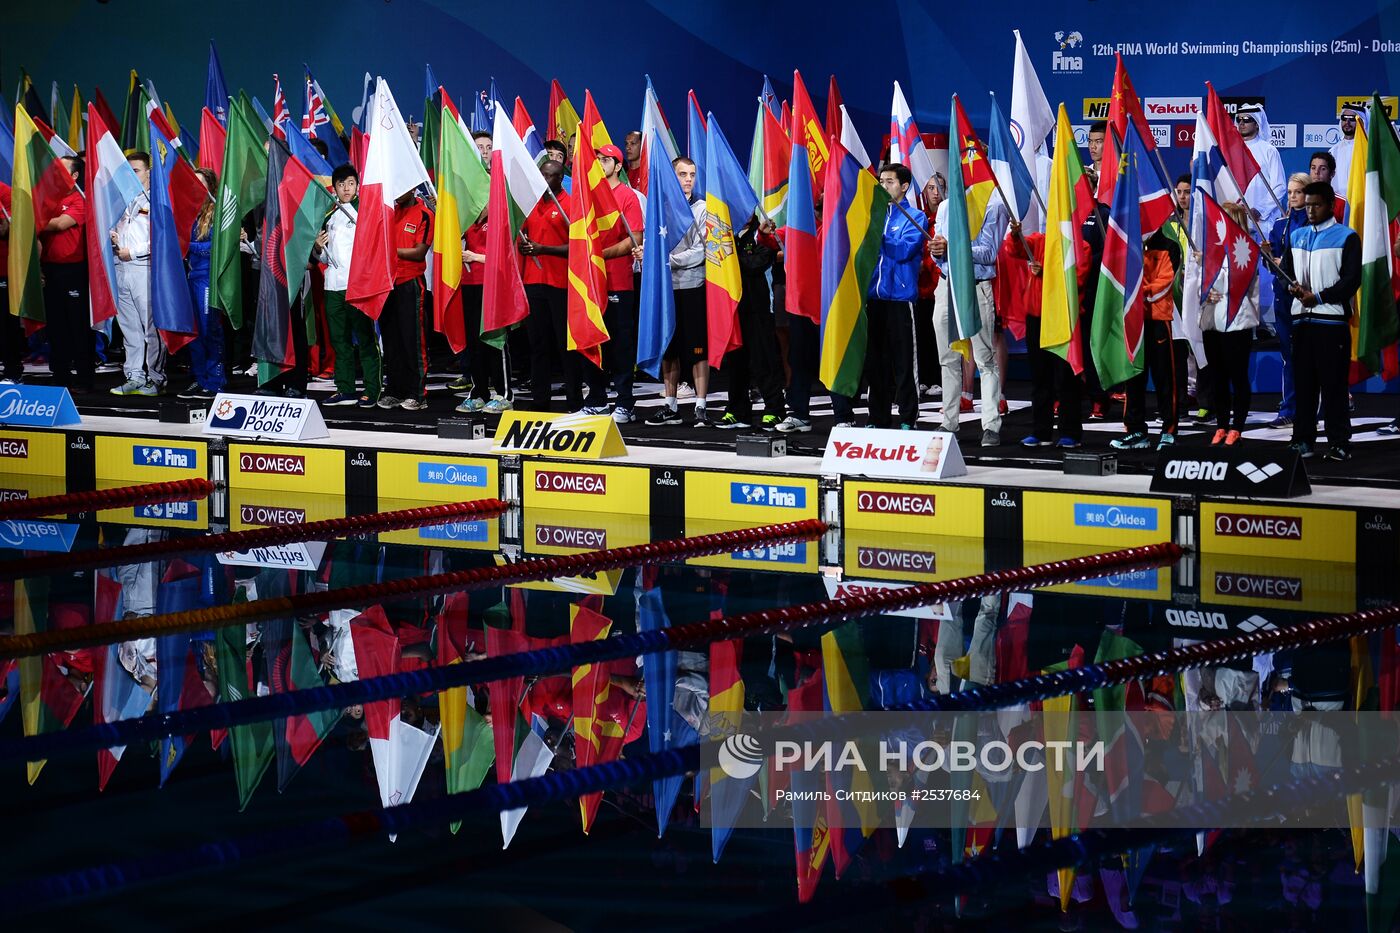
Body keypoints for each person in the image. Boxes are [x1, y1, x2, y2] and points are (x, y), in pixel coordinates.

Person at [1280, 182, 1361, 461]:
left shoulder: (1347, 237)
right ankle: (1302, 440)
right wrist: (1292, 287)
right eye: (1307, 205)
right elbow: (1286, 272)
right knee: (1304, 385)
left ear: (1330, 206)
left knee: (1334, 386)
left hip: (1332, 323)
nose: (1310, 210)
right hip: (1301, 323)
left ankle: (1339, 443)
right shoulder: (1297, 235)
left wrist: (1319, 297)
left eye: (1316, 205)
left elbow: (1351, 280)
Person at [930, 185, 1007, 446]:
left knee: (985, 358)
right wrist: (937, 250)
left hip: (976, 287)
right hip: (946, 286)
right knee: (947, 358)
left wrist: (953, 247)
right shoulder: (945, 207)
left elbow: (988, 253)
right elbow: (938, 255)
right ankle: (949, 422)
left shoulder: (992, 205)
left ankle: (991, 425)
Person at [645, 157, 712, 427]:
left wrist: (668, 261)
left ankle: (701, 406)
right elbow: (653, 243)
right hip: (666, 290)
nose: (688, 179)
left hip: (693, 287)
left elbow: (701, 251)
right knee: (669, 350)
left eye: (692, 175)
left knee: (698, 350)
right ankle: (670, 406)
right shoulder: (661, 209)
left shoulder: (702, 208)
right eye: (683, 174)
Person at [865, 163, 926, 430]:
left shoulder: (916, 217)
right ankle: (876, 417)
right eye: (881, 181)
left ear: (904, 186)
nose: (884, 186)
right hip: (875, 298)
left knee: (904, 362)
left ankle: (907, 418)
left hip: (901, 300)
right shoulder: (875, 214)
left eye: (889, 182)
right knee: (875, 362)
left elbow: (904, 250)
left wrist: (876, 235)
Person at [585, 144, 643, 422]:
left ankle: (625, 404)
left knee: (621, 345)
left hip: (618, 281)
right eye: (597, 159)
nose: (600, 163)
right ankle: (596, 399)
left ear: (618, 166)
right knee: (594, 339)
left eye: (606, 160)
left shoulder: (627, 196)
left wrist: (599, 255)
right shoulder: (590, 195)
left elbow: (635, 240)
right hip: (591, 281)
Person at [520, 160, 584, 411]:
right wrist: (525, 247)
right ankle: (540, 401)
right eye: (542, 175)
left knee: (565, 345)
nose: (545, 180)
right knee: (537, 345)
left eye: (550, 176)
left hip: (560, 284)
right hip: (533, 281)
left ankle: (575, 401)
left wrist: (544, 249)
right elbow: (523, 236)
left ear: (560, 179)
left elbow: (578, 245)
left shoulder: (569, 204)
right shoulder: (531, 204)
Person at [1112, 224, 1182, 450]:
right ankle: (1136, 431)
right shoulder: (1130, 247)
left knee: (1164, 379)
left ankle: (1169, 431)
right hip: (1134, 321)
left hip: (1159, 321)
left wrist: (1136, 294)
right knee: (1133, 377)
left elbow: (1164, 285)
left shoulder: (1170, 247)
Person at [315, 164, 381, 407]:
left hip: (357, 286)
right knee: (339, 341)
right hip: (333, 286)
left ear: (357, 186)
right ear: (334, 188)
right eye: (341, 184)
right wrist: (318, 247)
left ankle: (372, 389)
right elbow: (325, 258)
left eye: (350, 184)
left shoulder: (365, 211)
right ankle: (345, 388)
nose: (346, 189)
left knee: (365, 339)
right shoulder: (329, 216)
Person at [1198, 201, 1260, 447]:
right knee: (1217, 377)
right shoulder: (1211, 250)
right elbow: (1195, 284)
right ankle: (1221, 425)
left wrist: (1209, 276)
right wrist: (1205, 292)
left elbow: (1231, 282)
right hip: (1212, 322)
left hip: (1237, 323)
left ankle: (1237, 427)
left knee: (1237, 377)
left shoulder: (1247, 250)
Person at [716, 215, 786, 429]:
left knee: (763, 359)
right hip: (733, 306)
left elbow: (757, 264)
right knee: (736, 361)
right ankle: (738, 411)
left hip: (759, 307)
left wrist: (729, 258)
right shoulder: (727, 233)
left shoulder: (763, 233)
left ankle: (774, 410)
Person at [110, 151, 163, 396]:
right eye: (128, 171)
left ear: (149, 173)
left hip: (144, 268)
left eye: (136, 171)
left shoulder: (157, 200)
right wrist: (112, 235)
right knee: (129, 327)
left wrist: (133, 252)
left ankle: (156, 378)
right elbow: (112, 226)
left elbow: (162, 238)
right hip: (120, 268)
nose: (131, 175)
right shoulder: (120, 198)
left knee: (151, 327)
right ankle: (134, 375)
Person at [378, 189, 433, 410]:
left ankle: (417, 393)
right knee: (392, 340)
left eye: (402, 187)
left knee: (413, 339)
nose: (398, 192)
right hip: (387, 282)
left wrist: (390, 250)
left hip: (411, 282)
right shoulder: (390, 212)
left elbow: (419, 253)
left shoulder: (424, 214)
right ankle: (395, 390)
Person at [39, 156, 91, 392]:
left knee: (77, 326)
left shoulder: (80, 199)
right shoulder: (48, 199)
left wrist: (33, 219)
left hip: (74, 271)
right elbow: (39, 236)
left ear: (75, 175)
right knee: (56, 326)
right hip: (50, 270)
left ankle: (85, 378)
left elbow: (61, 224)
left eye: (60, 169)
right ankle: (60, 375)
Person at [1263, 173, 1311, 430]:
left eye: (1298, 192)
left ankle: (1312, 409)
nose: (1292, 196)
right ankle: (1289, 409)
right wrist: (1269, 258)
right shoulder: (1280, 225)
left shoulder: (1315, 225)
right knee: (1288, 357)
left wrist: (1287, 264)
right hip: (1283, 300)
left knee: (1310, 357)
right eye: (1290, 192)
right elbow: (1272, 262)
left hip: (1308, 299)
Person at [454, 209, 512, 413]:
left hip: (492, 285)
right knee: (473, 342)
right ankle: (479, 392)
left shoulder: (499, 219)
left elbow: (506, 256)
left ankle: (504, 395)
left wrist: (476, 257)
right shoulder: (468, 222)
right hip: (469, 284)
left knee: (495, 341)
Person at [176, 167, 225, 399]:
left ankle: (215, 381)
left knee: (209, 330)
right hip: (190, 278)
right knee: (193, 333)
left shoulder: (217, 211)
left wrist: (186, 246)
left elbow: (214, 247)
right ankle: (199, 378)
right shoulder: (189, 210)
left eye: (200, 183)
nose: (195, 187)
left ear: (210, 186)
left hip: (207, 280)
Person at [0, 181, 17, 383]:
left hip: (4, 269)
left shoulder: (4, 192)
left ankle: (13, 372)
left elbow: (10, 227)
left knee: (5, 324)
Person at [1329, 106, 1363, 191]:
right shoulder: (1333, 151)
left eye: (1352, 119)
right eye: (1344, 118)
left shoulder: (1367, 150)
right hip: (1337, 198)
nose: (1347, 122)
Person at [1308, 151, 1349, 221]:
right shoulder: (1302, 200)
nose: (1316, 172)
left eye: (1323, 169)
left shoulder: (1343, 204)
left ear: (1332, 174)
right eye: (1313, 168)